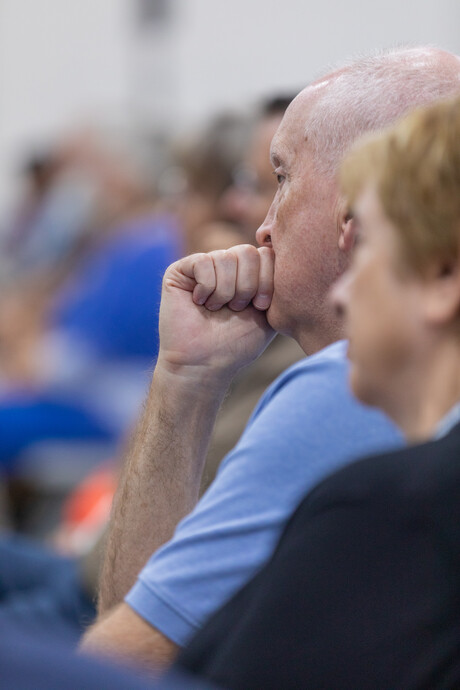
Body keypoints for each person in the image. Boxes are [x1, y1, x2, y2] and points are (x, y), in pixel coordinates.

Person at [81, 48, 460, 672]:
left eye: (280, 178)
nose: (259, 225)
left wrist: (183, 383)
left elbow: (118, 672)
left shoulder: (345, 388)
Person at [171, 93, 460, 689]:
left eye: (371, 247)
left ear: (441, 277)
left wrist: (183, 381)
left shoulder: (390, 505)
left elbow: (144, 664)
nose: (342, 294)